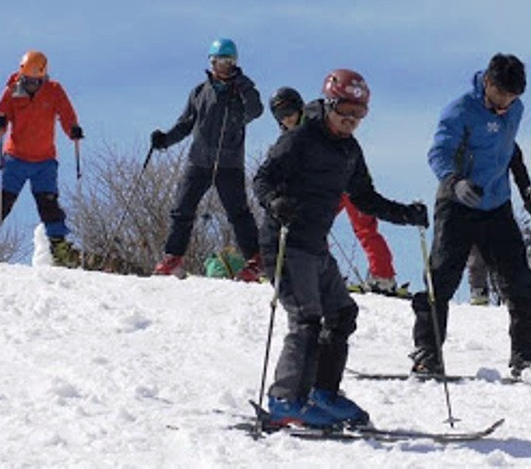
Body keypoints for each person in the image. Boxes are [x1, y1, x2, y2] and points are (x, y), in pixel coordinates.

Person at [254, 69, 427, 428]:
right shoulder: (300, 138)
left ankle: (321, 392)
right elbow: (263, 178)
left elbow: (364, 197)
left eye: (358, 115)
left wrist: (405, 214)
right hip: (285, 241)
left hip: (315, 245)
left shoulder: (349, 150)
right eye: (344, 112)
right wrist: (274, 201)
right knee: (305, 318)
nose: (350, 121)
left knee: (341, 314)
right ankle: (285, 399)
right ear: (329, 104)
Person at [412, 53, 531, 377]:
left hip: (496, 206)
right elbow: (439, 152)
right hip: (458, 204)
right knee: (440, 282)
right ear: (488, 82)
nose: (506, 104)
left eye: (513, 98)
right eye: (502, 95)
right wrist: (454, 181)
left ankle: (525, 355)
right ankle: (427, 354)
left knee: (521, 284)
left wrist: (527, 189)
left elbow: (510, 150)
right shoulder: (460, 110)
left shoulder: (515, 109)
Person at [269, 86, 403, 295]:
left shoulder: (318, 121)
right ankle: (319, 271)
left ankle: (383, 277)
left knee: (364, 226)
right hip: (325, 192)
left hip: (347, 184)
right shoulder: (289, 140)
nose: (287, 118)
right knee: (312, 225)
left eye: (290, 110)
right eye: (280, 115)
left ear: (300, 107)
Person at [151, 38, 264, 280]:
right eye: (217, 61)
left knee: (238, 213)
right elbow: (186, 124)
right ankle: (173, 257)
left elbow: (255, 111)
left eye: (227, 61)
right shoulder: (200, 92)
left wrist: (243, 87)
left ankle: (256, 259)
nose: (221, 66)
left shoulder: (242, 89)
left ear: (234, 63)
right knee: (182, 208)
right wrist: (164, 140)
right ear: (211, 62)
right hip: (199, 160)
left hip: (229, 162)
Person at [0, 51, 84, 267]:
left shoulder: (54, 90)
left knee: (49, 207)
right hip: (16, 159)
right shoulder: (12, 91)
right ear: (21, 73)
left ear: (42, 76)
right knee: (0, 203)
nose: (30, 83)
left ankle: (59, 250)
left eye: (34, 80)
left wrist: (73, 130)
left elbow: (67, 115)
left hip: (45, 161)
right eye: (27, 79)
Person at [468, 143, 531, 305]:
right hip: (473, 202)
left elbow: (519, 172)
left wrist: (529, 198)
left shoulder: (507, 142)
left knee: (506, 250)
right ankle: (478, 290)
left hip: (499, 203)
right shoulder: (470, 137)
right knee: (476, 251)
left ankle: (511, 291)